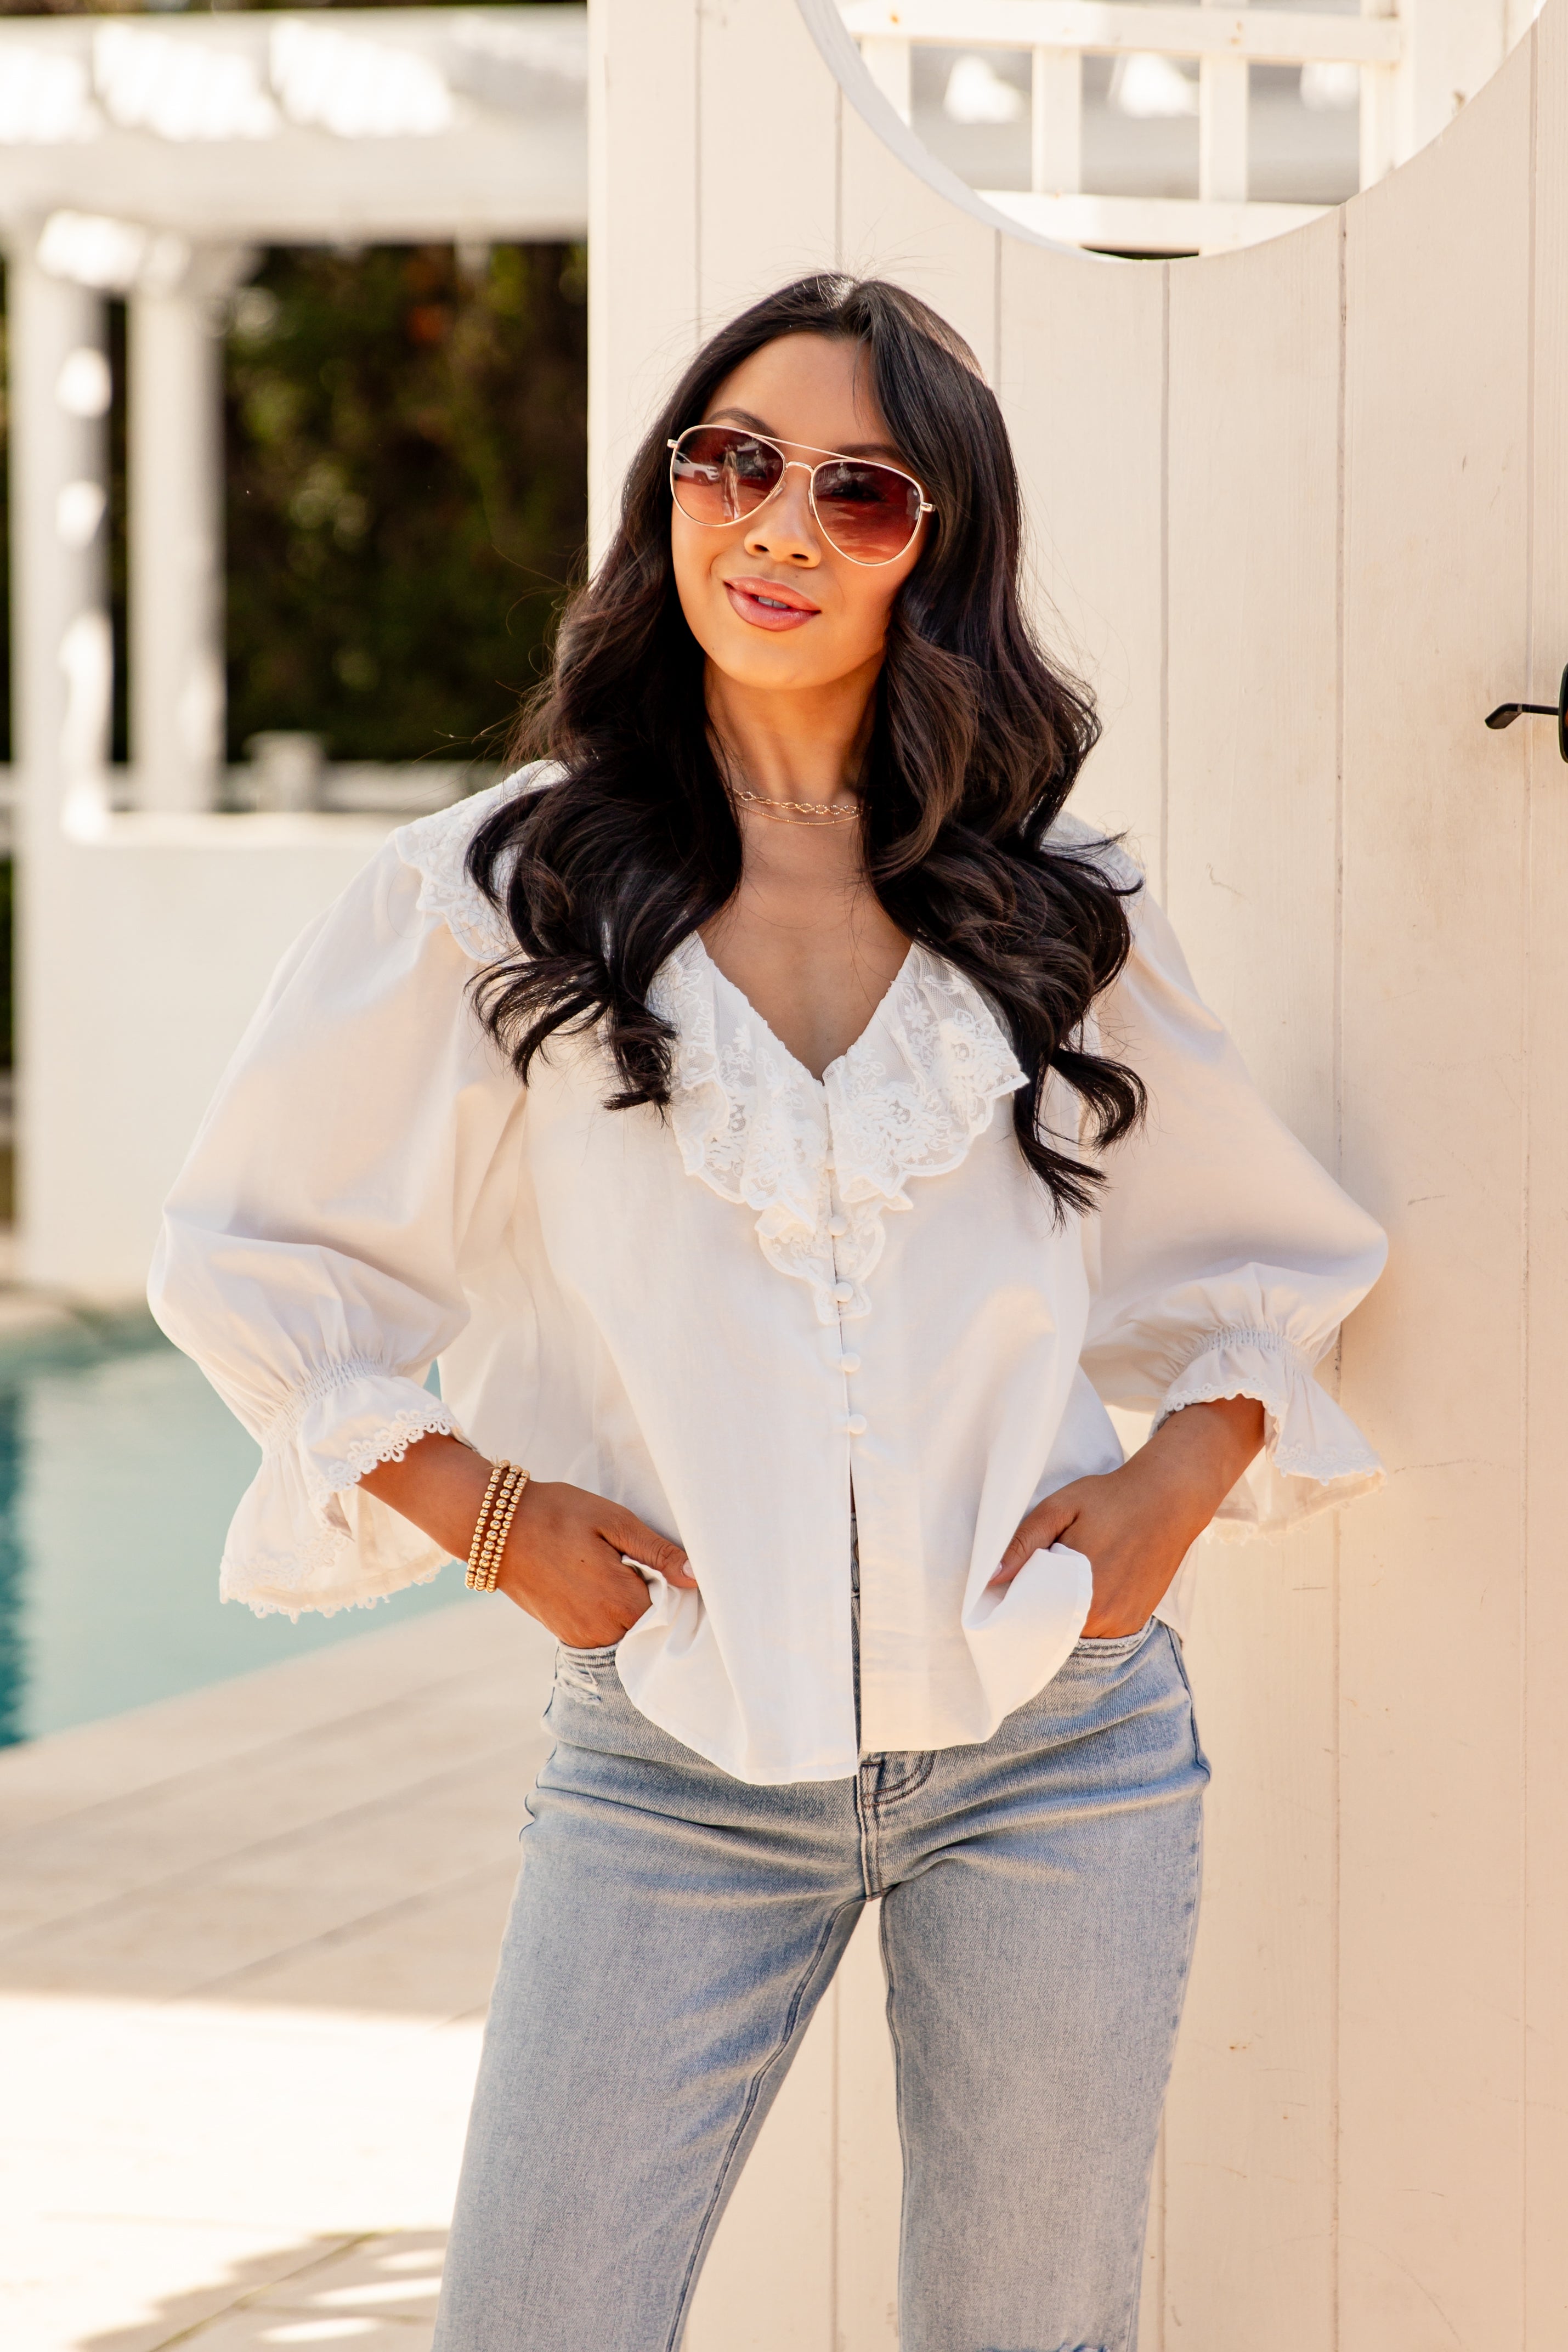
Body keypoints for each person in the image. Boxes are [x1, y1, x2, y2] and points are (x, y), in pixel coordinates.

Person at [150, 275, 1387, 2352]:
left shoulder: (1051, 902)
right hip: (673, 1755)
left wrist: (1173, 1485)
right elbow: (253, 1246)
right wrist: (483, 1511)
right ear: (666, 501)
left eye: (861, 489)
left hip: (1055, 1751)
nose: (778, 527)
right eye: (728, 462)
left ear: (944, 553)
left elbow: (1258, 1261)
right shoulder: (499, 891)